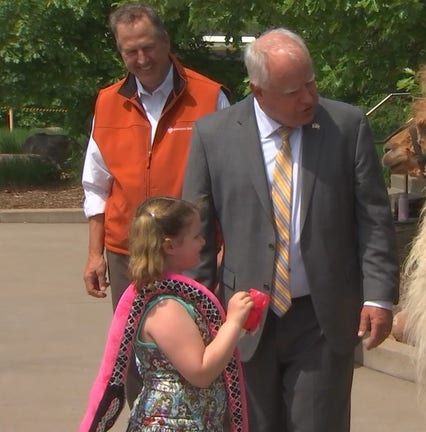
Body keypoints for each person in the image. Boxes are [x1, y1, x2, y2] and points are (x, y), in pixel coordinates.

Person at [182, 28, 400, 432]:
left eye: (311, 82)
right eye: (293, 90)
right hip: (243, 318)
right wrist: (199, 310)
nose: (309, 97)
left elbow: (373, 218)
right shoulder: (213, 136)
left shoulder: (346, 126)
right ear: (259, 91)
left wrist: (379, 296)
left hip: (322, 316)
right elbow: (196, 234)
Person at [81, 3, 230, 404]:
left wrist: (222, 251)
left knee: (193, 351)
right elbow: (96, 184)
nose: (142, 59)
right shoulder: (107, 102)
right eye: (131, 51)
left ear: (166, 41)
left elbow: (232, 184)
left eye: (148, 47)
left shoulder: (209, 97)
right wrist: (95, 254)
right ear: (120, 51)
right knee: (132, 357)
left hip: (190, 252)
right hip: (127, 253)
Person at [80, 197, 256, 431]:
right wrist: (233, 322)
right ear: (170, 246)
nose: (203, 242)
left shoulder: (174, 297)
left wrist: (239, 326)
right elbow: (201, 371)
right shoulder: (166, 308)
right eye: (196, 236)